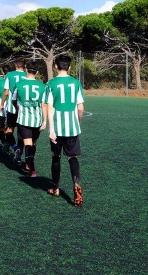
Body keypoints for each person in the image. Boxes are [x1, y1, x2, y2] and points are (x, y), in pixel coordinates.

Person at [45, 54, 85, 207]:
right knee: (72, 157)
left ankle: (55, 188)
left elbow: (50, 106)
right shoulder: (76, 83)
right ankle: (76, 184)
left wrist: (51, 129)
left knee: (56, 157)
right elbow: (80, 107)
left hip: (57, 128)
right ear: (69, 66)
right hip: (72, 128)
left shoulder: (51, 83)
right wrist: (77, 124)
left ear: (56, 66)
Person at [12, 60, 47, 178]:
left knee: (28, 144)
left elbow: (13, 99)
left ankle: (31, 169)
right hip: (37, 120)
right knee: (33, 144)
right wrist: (45, 121)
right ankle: (29, 164)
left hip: (23, 119)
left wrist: (17, 109)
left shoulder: (19, 84)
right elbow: (44, 104)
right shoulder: (43, 86)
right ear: (37, 72)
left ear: (26, 69)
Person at [0, 58, 26, 162]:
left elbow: (6, 92)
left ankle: (15, 148)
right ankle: (18, 156)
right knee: (21, 133)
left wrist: (2, 103)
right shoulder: (26, 75)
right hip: (23, 108)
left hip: (12, 107)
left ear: (15, 65)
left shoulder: (9, 75)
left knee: (9, 130)